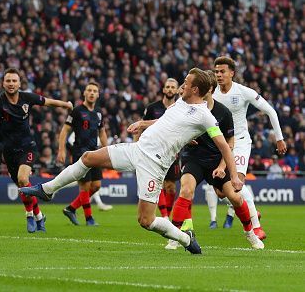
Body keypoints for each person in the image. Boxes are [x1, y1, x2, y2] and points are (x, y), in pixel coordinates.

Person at [21, 68, 242, 255]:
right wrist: (143, 124)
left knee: (146, 220)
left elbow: (224, 146)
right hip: (137, 150)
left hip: (154, 165)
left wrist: (233, 176)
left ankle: (185, 239)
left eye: (185, 83)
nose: (181, 86)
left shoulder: (205, 116)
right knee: (88, 157)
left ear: (195, 90)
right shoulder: (179, 103)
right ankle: (48, 190)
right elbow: (166, 121)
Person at [167, 71, 264, 250]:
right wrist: (185, 140)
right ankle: (175, 235)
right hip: (193, 158)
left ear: (209, 89)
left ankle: (250, 233)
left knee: (234, 197)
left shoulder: (223, 113)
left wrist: (222, 167)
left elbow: (229, 143)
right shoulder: (187, 108)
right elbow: (174, 129)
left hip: (215, 161)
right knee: (186, 191)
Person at [0, 68, 73, 233]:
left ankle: (29, 216)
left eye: (14, 81)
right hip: (8, 150)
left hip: (27, 146)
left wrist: (66, 105)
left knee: (23, 179)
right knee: (24, 186)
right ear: (3, 83)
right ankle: (39, 216)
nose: (11, 84)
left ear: (19, 83)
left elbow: (47, 101)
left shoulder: (27, 97)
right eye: (8, 81)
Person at [213, 56, 286, 240]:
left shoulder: (243, 92)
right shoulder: (212, 93)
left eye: (222, 71)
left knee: (236, 183)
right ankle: (250, 204)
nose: (219, 75)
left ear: (232, 73)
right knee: (221, 191)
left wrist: (279, 138)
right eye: (216, 72)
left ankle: (256, 226)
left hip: (240, 142)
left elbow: (270, 110)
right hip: (220, 144)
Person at [58, 82, 108, 226]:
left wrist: (108, 150)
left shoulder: (98, 112)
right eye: (89, 90)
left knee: (96, 185)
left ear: (98, 94)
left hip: (95, 152)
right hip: (80, 151)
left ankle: (71, 208)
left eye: (95, 91)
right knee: (85, 186)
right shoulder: (77, 111)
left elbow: (102, 132)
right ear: (84, 93)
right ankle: (89, 219)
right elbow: (65, 130)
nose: (92, 93)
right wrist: (61, 150)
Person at [141, 78, 180, 220]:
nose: (170, 89)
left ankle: (167, 215)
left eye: (172, 87)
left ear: (177, 90)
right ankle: (164, 217)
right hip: (154, 150)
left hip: (173, 151)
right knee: (158, 183)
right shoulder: (152, 108)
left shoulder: (180, 108)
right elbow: (143, 125)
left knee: (171, 187)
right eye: (167, 87)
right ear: (163, 90)